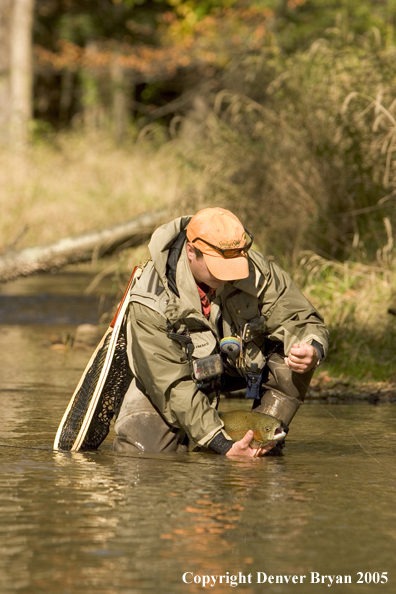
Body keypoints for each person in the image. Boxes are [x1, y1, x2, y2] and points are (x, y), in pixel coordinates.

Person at [113, 207, 329, 458]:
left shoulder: (257, 271)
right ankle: (217, 440)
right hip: (174, 377)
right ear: (191, 252)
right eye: (219, 266)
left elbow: (299, 318)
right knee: (147, 454)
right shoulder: (151, 299)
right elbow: (173, 385)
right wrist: (221, 444)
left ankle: (264, 437)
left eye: (234, 265)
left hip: (236, 364)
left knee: (296, 350)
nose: (228, 275)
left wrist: (312, 348)